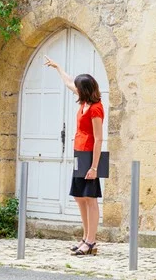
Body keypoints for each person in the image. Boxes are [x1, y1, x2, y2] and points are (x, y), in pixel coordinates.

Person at [44, 56, 104, 256]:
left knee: (91, 197)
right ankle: (85, 237)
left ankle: (91, 241)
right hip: (79, 152)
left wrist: (94, 167)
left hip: (90, 155)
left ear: (85, 90)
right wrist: (58, 67)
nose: (75, 89)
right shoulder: (85, 102)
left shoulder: (95, 108)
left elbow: (98, 139)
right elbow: (69, 81)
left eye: (79, 87)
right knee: (79, 197)